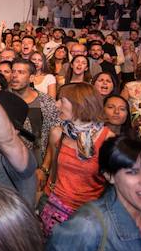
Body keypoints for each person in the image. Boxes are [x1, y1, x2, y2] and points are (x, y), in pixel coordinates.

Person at [38, 83, 113, 236]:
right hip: (52, 204)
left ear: (79, 105)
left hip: (86, 214)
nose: (56, 104)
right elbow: (52, 168)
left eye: (62, 100)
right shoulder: (58, 133)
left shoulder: (108, 139)